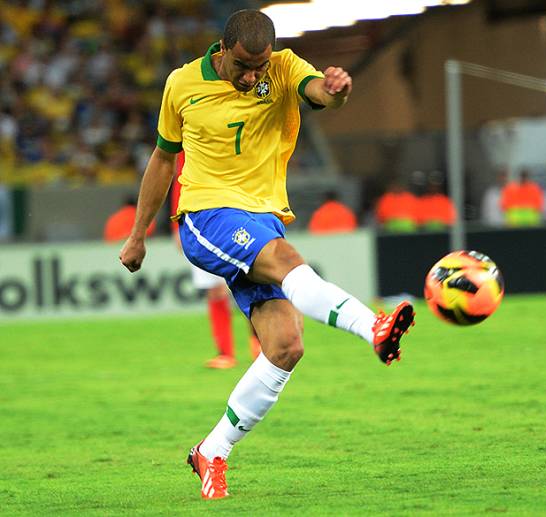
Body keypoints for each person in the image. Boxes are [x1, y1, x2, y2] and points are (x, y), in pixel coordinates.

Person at [118, 10, 414, 499]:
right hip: (206, 213)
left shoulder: (282, 67)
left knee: (285, 347)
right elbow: (164, 157)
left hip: (264, 218)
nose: (253, 75)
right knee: (285, 259)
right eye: (243, 66)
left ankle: (211, 452)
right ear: (223, 49)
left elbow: (318, 92)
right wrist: (138, 233)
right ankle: (373, 328)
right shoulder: (182, 84)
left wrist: (336, 91)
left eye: (260, 66)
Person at [171, 151, 261, 369]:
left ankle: (259, 344)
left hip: (235, 214)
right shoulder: (187, 138)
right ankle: (225, 353)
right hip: (199, 219)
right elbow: (179, 180)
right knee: (215, 290)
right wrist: (176, 224)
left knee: (249, 282)